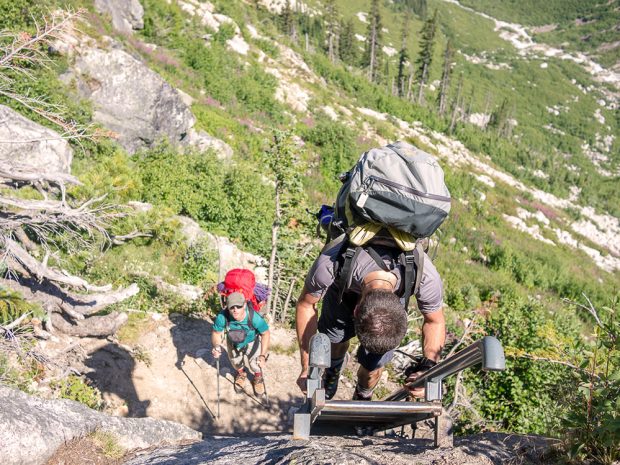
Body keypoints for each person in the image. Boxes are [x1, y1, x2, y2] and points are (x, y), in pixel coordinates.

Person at [295, 242, 445, 400]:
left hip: (368, 293)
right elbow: (305, 305)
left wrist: (428, 368)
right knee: (335, 341)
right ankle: (333, 370)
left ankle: (363, 392)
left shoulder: (425, 277)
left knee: (373, 366)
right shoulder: (332, 262)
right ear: (355, 311)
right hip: (342, 289)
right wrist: (307, 366)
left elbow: (435, 321)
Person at [211, 292, 271, 395]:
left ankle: (257, 377)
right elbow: (216, 333)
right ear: (227, 307)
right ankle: (241, 374)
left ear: (244, 305)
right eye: (232, 307)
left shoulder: (254, 317)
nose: (235, 310)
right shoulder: (222, 316)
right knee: (235, 361)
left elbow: (265, 334)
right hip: (233, 341)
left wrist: (262, 355)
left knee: (255, 363)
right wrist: (216, 346)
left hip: (251, 341)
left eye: (238, 306)